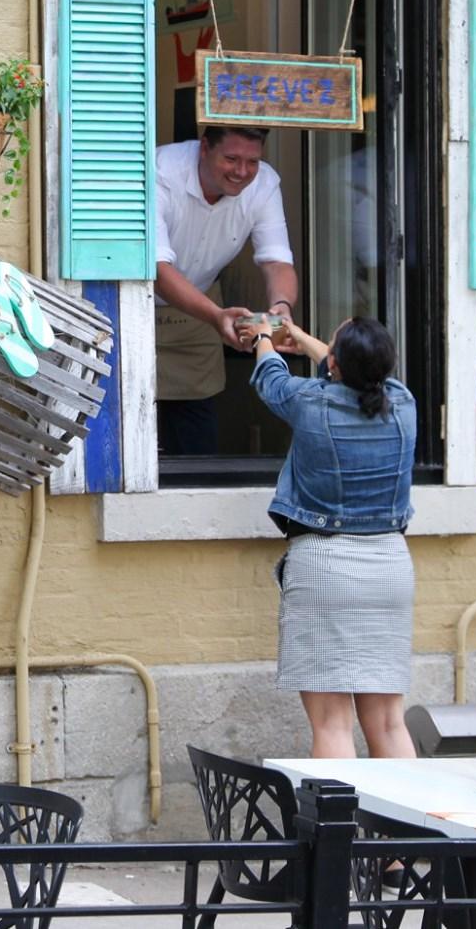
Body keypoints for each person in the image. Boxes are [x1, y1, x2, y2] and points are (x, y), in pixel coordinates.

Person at [242, 312, 416, 759]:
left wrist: (265, 336)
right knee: (389, 724)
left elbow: (270, 378)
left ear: (335, 365)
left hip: (325, 565)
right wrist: (304, 339)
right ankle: (404, 831)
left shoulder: (310, 402)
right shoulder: (403, 404)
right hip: (390, 567)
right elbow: (358, 376)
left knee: (332, 724)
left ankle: (342, 831)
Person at [153, 126, 300, 455]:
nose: (242, 172)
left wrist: (281, 306)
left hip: (200, 309)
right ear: (204, 147)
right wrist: (216, 315)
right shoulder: (161, 172)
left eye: (253, 161)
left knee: (195, 427)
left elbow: (276, 260)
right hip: (136, 301)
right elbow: (158, 270)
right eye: (231, 159)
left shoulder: (264, 185)